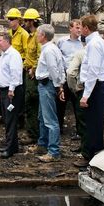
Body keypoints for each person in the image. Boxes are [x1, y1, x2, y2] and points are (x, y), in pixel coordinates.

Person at [76, 15, 104, 166]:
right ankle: (94, 155)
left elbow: (93, 71)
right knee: (94, 122)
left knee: (92, 123)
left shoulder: (94, 44)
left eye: (80, 26)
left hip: (95, 87)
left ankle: (90, 157)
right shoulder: (97, 42)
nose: (79, 29)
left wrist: (86, 95)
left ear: (86, 28)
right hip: (96, 86)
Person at [35, 24, 65, 163]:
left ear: (43, 36)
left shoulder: (48, 51)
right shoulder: (51, 48)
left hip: (47, 85)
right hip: (45, 85)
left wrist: (58, 85)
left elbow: (54, 68)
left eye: (38, 33)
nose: (36, 35)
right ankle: (43, 144)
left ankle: (53, 151)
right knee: (42, 116)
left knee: (50, 119)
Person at [0, 32, 24, 159]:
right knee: (6, 118)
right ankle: (13, 145)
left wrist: (11, 89)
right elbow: (1, 72)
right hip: (3, 89)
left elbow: (15, 73)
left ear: (7, 41)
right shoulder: (3, 55)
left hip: (11, 91)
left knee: (10, 119)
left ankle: (10, 148)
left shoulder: (13, 55)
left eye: (0, 40)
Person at [56, 19, 84, 134]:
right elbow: (57, 58)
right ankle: (59, 127)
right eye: (77, 27)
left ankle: (79, 130)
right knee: (60, 103)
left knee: (77, 105)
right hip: (64, 77)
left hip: (76, 79)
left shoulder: (82, 43)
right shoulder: (61, 42)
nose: (79, 30)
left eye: (80, 28)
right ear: (70, 28)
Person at [20, 8, 42, 146]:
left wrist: (34, 69)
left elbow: (40, 55)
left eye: (27, 20)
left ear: (33, 21)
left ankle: (33, 134)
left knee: (31, 103)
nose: (25, 23)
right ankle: (32, 131)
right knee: (28, 103)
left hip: (33, 75)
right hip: (27, 71)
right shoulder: (30, 36)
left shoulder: (38, 37)